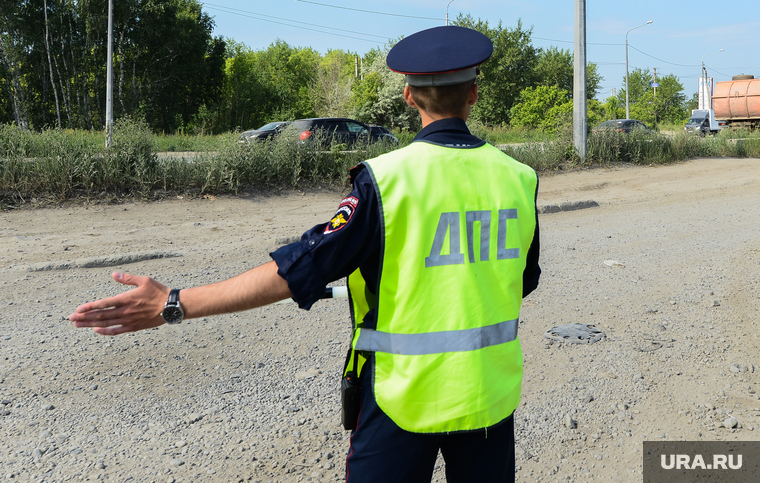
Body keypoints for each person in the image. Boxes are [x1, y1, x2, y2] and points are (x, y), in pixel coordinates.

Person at [70, 25, 540, 483]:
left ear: (409, 97)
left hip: (404, 397)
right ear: (474, 94)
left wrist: (174, 302)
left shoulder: (386, 180)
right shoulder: (518, 178)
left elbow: (299, 269)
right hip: (488, 400)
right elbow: (522, 279)